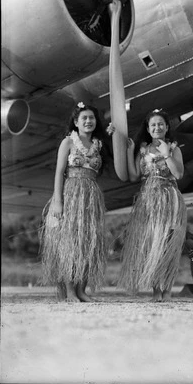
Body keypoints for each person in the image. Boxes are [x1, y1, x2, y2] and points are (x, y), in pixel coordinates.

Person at [39, 101, 109, 303]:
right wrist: (58, 200)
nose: (88, 121)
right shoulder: (68, 142)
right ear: (76, 122)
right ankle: (70, 291)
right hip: (71, 193)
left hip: (91, 196)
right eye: (84, 118)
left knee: (89, 242)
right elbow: (60, 172)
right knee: (71, 242)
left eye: (92, 118)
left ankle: (82, 290)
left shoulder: (99, 144)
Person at [118, 108, 186, 302]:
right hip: (148, 200)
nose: (157, 127)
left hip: (169, 197)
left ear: (167, 127)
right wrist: (131, 151)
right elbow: (133, 176)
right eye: (153, 125)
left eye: (160, 124)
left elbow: (179, 174)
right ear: (148, 128)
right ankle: (157, 291)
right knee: (153, 245)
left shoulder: (174, 148)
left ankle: (167, 291)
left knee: (168, 244)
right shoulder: (143, 150)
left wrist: (166, 155)